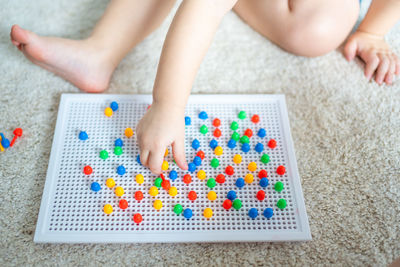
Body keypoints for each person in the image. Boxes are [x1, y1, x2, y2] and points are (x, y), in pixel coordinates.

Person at [10, 0, 400, 174]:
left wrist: (372, 31)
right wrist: (168, 104)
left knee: (317, 28)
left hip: (313, 15)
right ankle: (100, 51)